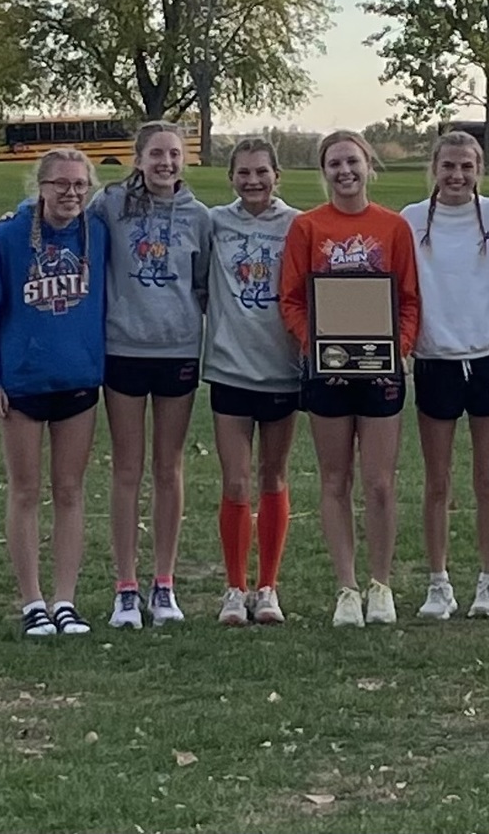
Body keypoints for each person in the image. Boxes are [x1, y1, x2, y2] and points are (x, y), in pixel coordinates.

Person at [0, 149, 108, 637]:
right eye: (60, 184)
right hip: (21, 385)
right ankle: (32, 602)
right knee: (25, 492)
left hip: (79, 383)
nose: (70, 193)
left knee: (70, 491)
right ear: (39, 187)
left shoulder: (98, 234)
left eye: (80, 185)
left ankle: (65, 599)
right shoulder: (5, 238)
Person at [279, 129, 420, 627]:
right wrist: (317, 348)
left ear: (368, 166)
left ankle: (381, 585)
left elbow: (408, 300)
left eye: (353, 162)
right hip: (329, 372)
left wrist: (394, 351)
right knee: (334, 480)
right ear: (324, 171)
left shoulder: (394, 226)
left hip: (380, 371)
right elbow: (292, 299)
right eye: (335, 164)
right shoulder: (307, 227)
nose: (345, 172)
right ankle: (347, 588)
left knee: (380, 483)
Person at [87, 121, 212, 629]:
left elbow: (203, 286)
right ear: (138, 160)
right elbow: (63, 220)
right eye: (156, 154)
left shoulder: (199, 217)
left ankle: (164, 583)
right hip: (123, 349)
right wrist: (19, 217)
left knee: (169, 467)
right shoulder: (110, 205)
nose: (166, 163)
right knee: (126, 467)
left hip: (178, 350)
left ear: (185, 161)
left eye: (175, 155)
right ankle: (125, 587)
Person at [400, 131, 489, 620]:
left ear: (479, 170)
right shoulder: (409, 220)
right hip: (435, 360)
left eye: (467, 167)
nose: (457, 176)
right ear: (434, 167)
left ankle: (488, 583)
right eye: (448, 166)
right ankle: (438, 583)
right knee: (437, 481)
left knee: (488, 479)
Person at [203, 138, 300, 626]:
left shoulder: (296, 224)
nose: (253, 181)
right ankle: (234, 588)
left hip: (283, 369)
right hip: (229, 368)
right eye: (243, 173)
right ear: (232, 178)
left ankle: (268, 588)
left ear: (276, 175)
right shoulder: (216, 222)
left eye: (261, 172)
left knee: (272, 477)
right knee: (236, 481)